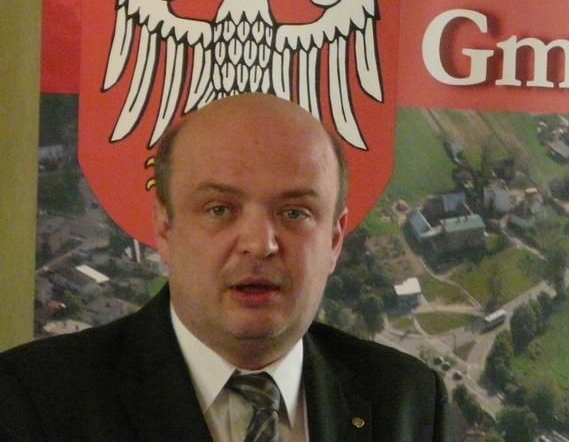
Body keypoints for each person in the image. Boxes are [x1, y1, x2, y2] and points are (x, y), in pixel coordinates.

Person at [0, 93, 450, 441]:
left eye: (294, 212)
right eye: (219, 209)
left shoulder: (408, 401)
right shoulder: (34, 400)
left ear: (334, 240)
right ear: (165, 228)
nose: (260, 244)